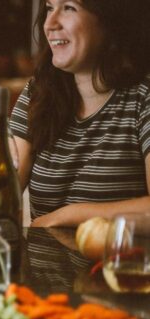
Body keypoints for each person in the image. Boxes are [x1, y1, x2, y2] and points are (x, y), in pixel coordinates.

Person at [10, 0, 150, 227]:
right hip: (47, 262)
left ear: (109, 20)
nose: (50, 23)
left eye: (69, 8)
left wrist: (66, 216)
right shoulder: (39, 91)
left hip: (119, 262)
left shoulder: (144, 96)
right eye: (49, 8)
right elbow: (6, 184)